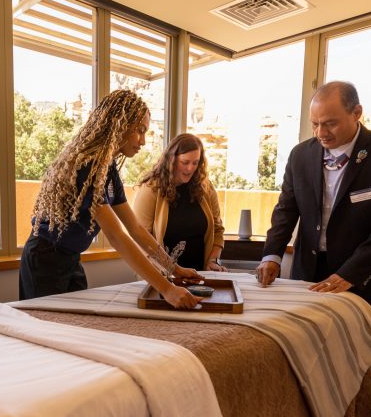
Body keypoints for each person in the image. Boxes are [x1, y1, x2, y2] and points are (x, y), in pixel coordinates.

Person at [19, 89, 201, 309]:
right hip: (45, 260)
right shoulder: (87, 166)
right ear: (119, 125)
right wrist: (167, 289)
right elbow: (117, 236)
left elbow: (135, 229)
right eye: (139, 131)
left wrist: (173, 269)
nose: (143, 141)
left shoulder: (109, 169)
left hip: (71, 258)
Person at [256, 81, 371, 315]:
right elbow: (286, 211)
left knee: (354, 351)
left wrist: (350, 274)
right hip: (307, 275)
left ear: (357, 113)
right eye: (315, 124)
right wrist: (272, 256)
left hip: (361, 278)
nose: (321, 133)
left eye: (330, 123)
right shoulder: (300, 155)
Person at [133, 133, 226, 271]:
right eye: (185, 162)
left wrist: (212, 260)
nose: (190, 169)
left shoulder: (205, 187)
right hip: (161, 275)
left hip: (199, 276)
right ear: (172, 160)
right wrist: (169, 271)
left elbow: (218, 231)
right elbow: (141, 240)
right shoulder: (150, 189)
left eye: (195, 163)